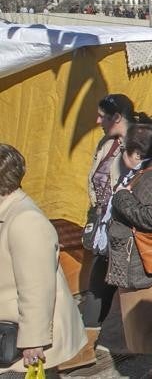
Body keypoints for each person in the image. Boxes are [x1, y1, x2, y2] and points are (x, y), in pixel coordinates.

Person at [0, 144, 88, 374]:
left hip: (22, 343)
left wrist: (33, 340)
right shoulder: (7, 212)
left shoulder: (25, 220)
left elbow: (37, 286)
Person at [105, 123, 152, 378]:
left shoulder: (151, 177)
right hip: (146, 263)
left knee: (151, 327)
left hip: (145, 265)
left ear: (136, 152)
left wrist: (122, 197)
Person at [82, 93, 135, 346]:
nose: (97, 120)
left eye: (102, 116)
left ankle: (106, 336)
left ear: (117, 117)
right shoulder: (106, 142)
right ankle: (92, 334)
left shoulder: (138, 145)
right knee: (100, 276)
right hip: (103, 221)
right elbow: (95, 179)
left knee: (115, 279)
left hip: (123, 224)